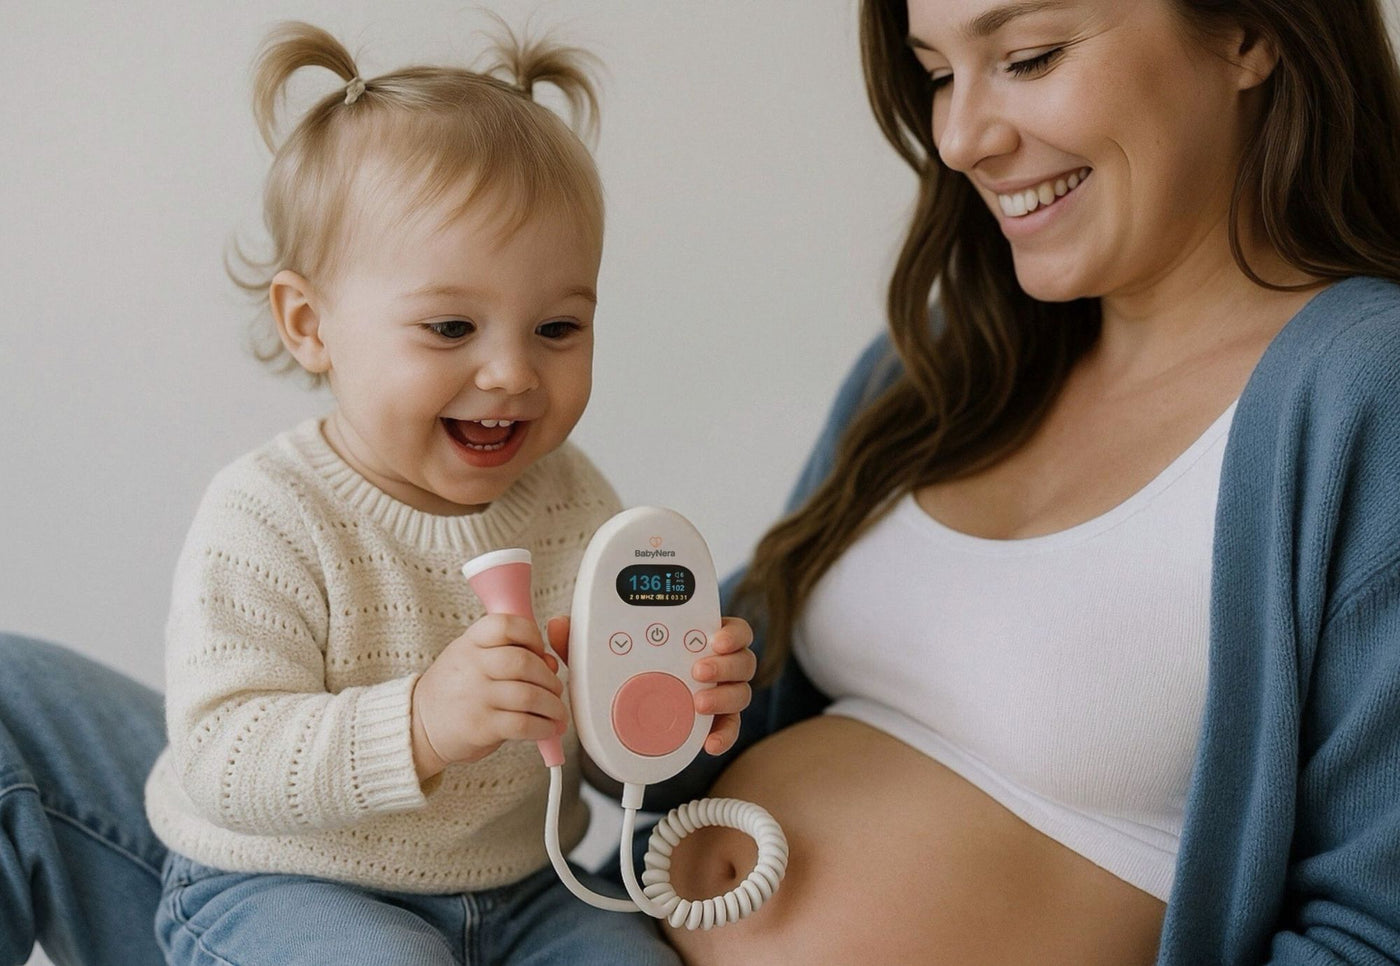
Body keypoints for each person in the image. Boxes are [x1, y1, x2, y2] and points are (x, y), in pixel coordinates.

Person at [4, 0, 1400, 964]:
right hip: (485, 885)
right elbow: (675, 722)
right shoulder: (946, 358)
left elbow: (1373, 925)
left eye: (1025, 55)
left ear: (1250, 28)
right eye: (935, 71)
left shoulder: (1360, 389)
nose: (962, 134)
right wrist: (639, 696)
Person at [132, 19, 755, 966]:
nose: (510, 373)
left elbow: (590, 762)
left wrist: (674, 717)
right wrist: (419, 722)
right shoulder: (269, 512)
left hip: (524, 889)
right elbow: (222, 758)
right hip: (289, 884)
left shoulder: (576, 502)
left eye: (557, 328)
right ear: (310, 324)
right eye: (452, 325)